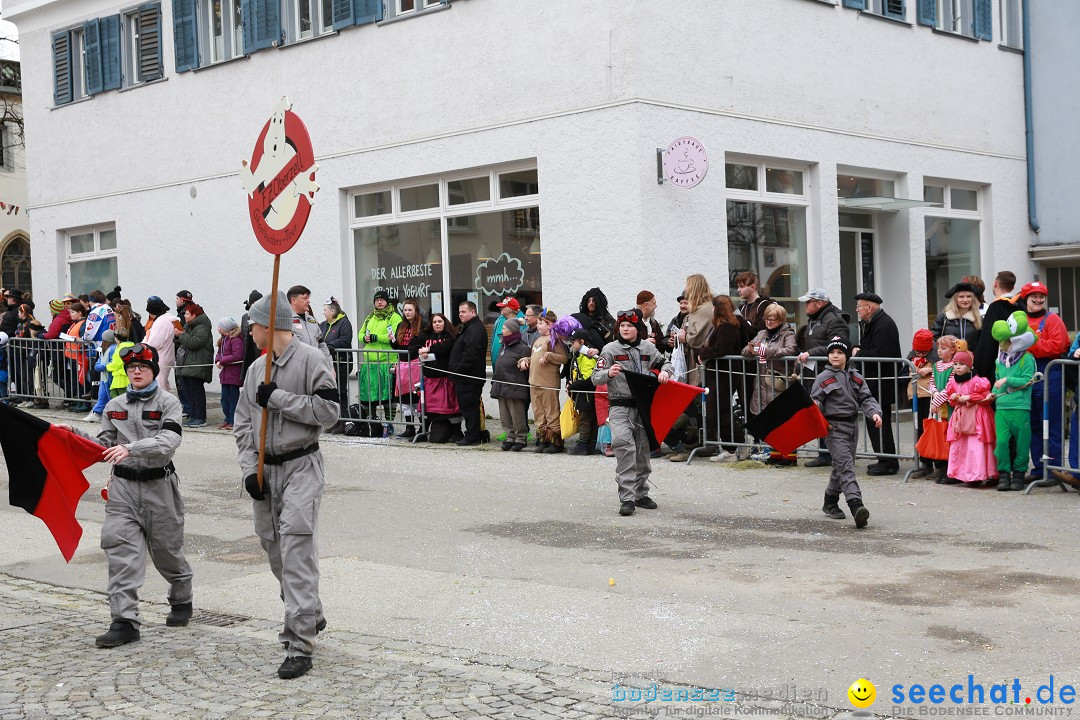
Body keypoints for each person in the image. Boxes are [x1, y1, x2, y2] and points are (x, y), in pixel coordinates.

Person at [233, 291, 338, 680]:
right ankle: (311, 611)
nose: (249, 333)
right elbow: (243, 425)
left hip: (301, 466)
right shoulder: (253, 369)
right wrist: (249, 470)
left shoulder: (312, 360)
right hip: (266, 472)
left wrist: (278, 398)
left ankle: (299, 642)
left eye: (253, 327)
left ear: (268, 325)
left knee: (296, 550)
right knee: (276, 552)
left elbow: (329, 412)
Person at [63, 343, 193, 648]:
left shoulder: (169, 403)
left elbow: (169, 439)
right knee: (120, 551)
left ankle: (181, 597)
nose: (136, 372)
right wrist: (69, 432)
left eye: (143, 367)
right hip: (123, 490)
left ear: (153, 371)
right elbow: (103, 445)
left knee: (167, 552)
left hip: (159, 487)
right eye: (131, 368)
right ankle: (124, 621)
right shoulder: (114, 405)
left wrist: (131, 448)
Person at [591, 309, 674, 516]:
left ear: (637, 328)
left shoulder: (648, 347)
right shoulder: (610, 349)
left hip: (643, 407)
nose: (626, 329)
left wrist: (665, 371)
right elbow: (595, 376)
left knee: (643, 451)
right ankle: (627, 498)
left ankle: (641, 494)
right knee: (624, 447)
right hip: (620, 406)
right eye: (622, 326)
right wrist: (608, 373)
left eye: (630, 326)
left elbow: (666, 363)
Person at [811, 338, 881, 529]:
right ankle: (856, 506)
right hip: (833, 428)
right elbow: (815, 401)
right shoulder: (823, 377)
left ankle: (830, 501)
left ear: (846, 356)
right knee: (846, 467)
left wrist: (874, 413)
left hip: (852, 427)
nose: (835, 355)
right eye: (832, 352)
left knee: (841, 467)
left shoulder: (855, 376)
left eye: (840, 352)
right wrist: (817, 412)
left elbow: (866, 397)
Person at [674, 294, 751, 462]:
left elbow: (721, 349)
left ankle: (733, 447)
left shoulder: (727, 327)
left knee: (720, 410)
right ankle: (732, 445)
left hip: (723, 374)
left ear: (718, 309)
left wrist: (703, 353)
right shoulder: (728, 325)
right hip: (720, 373)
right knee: (717, 409)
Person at [1015, 280, 1069, 481]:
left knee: (1051, 422)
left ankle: (1053, 470)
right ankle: (1039, 469)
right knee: (1033, 424)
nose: (1038, 300)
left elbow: (1057, 346)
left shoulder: (1053, 320)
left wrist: (1029, 346)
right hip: (1025, 377)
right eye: (1033, 297)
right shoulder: (1018, 319)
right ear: (1025, 299)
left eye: (1041, 297)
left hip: (1049, 375)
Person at [795, 289, 850, 467]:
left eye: (808, 302)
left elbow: (837, 346)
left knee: (831, 413)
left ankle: (832, 453)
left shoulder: (834, 320)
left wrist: (811, 353)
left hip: (830, 373)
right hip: (816, 373)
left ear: (819, 304)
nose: (805, 306)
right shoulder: (815, 319)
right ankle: (824, 453)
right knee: (818, 411)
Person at [851, 292, 903, 476]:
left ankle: (888, 462)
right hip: (875, 381)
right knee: (875, 419)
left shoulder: (883, 324)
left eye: (859, 306)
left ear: (869, 308)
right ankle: (883, 459)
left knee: (879, 420)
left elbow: (878, 355)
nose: (857, 310)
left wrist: (858, 354)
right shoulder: (875, 323)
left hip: (880, 382)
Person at [742, 303, 798, 464]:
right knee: (769, 420)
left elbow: (790, 350)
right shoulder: (761, 333)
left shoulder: (788, 334)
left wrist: (765, 351)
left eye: (772, 320)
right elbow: (745, 351)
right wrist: (752, 349)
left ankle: (789, 456)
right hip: (762, 383)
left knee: (783, 420)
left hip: (779, 381)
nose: (769, 322)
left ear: (780, 320)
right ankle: (775, 455)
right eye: (767, 319)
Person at [942, 349, 997, 486]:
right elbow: (952, 401)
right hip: (960, 418)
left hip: (977, 417)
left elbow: (986, 398)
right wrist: (953, 398)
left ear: (969, 366)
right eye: (955, 364)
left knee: (975, 446)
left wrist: (970, 397)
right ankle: (961, 473)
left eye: (961, 364)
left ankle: (977, 475)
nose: (958, 367)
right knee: (961, 446)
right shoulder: (953, 383)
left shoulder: (977, 381)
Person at [994, 318, 1036, 491]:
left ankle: (1019, 474)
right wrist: (993, 394)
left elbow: (1028, 380)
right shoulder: (999, 360)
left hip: (1020, 407)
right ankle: (1003, 474)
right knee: (1002, 442)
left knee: (1021, 443)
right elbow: (997, 381)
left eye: (1007, 342)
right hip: (1002, 407)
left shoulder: (1027, 359)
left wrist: (1008, 379)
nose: (1003, 345)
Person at [520, 310, 569, 453]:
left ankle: (556, 441)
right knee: (538, 412)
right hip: (534, 381)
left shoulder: (555, 340)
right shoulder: (538, 339)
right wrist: (526, 360)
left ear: (550, 325)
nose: (538, 325)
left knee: (551, 411)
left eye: (541, 323)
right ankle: (543, 439)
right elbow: (535, 357)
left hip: (548, 382)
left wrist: (549, 355)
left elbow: (563, 358)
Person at [356, 290, 402, 437]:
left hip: (387, 362)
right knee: (369, 395)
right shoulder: (370, 317)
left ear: (387, 301)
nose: (379, 302)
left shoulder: (394, 317)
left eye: (382, 300)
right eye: (377, 300)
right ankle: (373, 422)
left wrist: (376, 338)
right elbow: (361, 334)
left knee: (388, 397)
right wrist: (365, 338)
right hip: (370, 362)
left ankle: (388, 424)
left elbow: (393, 336)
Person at [411, 312, 461, 443]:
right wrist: (420, 350)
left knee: (451, 408)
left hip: (445, 379)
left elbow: (446, 347)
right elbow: (413, 346)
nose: (437, 324)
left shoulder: (450, 335)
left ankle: (456, 432)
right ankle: (422, 431)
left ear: (445, 322)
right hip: (429, 379)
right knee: (427, 408)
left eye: (440, 321)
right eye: (434, 322)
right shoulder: (424, 334)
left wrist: (429, 349)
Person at [449, 300, 488, 446]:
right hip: (465, 376)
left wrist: (458, 369)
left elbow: (470, 354)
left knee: (469, 408)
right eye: (459, 312)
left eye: (463, 312)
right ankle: (473, 434)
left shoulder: (475, 329)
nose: (460, 315)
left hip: (469, 377)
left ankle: (472, 436)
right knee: (467, 407)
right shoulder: (469, 327)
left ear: (473, 312)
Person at [491, 317, 531, 451]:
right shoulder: (504, 345)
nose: (502, 331)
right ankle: (510, 437)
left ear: (511, 331)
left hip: (515, 385)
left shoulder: (523, 348)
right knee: (505, 414)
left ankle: (520, 438)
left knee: (517, 414)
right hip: (501, 383)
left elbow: (526, 371)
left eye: (504, 328)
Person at [907, 329, 940, 480]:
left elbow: (944, 368)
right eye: (917, 351)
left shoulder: (936, 356)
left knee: (932, 430)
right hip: (916, 395)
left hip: (930, 396)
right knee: (919, 430)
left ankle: (938, 464)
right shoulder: (911, 356)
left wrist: (930, 369)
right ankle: (925, 463)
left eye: (923, 352)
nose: (919, 355)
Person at [174, 303, 213, 428]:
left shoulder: (203, 327)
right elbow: (184, 340)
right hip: (188, 364)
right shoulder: (190, 325)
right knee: (188, 391)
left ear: (194, 315)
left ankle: (200, 418)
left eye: (187, 314)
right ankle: (193, 416)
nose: (184, 316)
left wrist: (181, 335)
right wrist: (178, 335)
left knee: (196, 392)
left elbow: (194, 343)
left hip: (198, 364)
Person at [973, 271, 1017, 381]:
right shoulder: (1020, 306)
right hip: (1017, 364)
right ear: (1013, 287)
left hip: (997, 366)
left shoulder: (995, 307)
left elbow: (987, 341)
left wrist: (978, 368)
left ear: (995, 284)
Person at [319, 297, 353, 434]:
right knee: (331, 393)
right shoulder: (323, 324)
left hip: (341, 362)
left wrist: (332, 345)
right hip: (328, 363)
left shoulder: (344, 323)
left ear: (332, 311)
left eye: (325, 310)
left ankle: (343, 421)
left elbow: (346, 339)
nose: (323, 313)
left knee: (341, 392)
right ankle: (334, 420)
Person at [391, 298, 424, 438]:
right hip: (403, 365)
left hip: (416, 364)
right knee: (404, 399)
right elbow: (397, 346)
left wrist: (411, 349)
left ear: (416, 311)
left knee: (416, 397)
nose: (407, 312)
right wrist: (392, 340)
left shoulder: (423, 325)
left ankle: (422, 428)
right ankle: (409, 428)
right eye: (405, 310)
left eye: (410, 310)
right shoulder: (401, 325)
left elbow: (419, 343)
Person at [566, 328, 600, 455]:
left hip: (587, 393)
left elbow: (589, 378)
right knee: (589, 418)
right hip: (583, 393)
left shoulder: (588, 357)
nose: (572, 344)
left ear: (582, 341)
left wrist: (573, 386)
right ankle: (590, 445)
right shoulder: (579, 355)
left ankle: (582, 445)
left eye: (573, 341)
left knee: (585, 419)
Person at [287, 284, 332, 368]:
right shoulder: (286, 321)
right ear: (293, 300)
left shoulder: (312, 320)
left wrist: (329, 366)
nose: (308, 301)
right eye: (305, 298)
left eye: (308, 298)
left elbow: (322, 345)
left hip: (315, 368)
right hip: (297, 370)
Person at [930, 282, 982, 348]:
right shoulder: (943, 318)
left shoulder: (979, 319)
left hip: (972, 357)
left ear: (973, 299)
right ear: (955, 299)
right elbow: (933, 340)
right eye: (961, 297)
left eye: (969, 296)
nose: (965, 300)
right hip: (948, 358)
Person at [144, 297, 179, 394]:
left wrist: (147, 337)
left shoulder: (161, 322)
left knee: (160, 384)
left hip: (161, 357)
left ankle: (161, 406)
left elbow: (154, 344)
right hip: (167, 355)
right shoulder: (169, 319)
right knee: (163, 382)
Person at [215, 317, 245, 430]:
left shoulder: (236, 340)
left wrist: (222, 361)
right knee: (224, 399)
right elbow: (219, 353)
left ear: (226, 328)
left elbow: (238, 356)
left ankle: (234, 420)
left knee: (233, 399)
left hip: (233, 374)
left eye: (220, 326)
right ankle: (227, 419)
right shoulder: (223, 339)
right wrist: (218, 360)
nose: (218, 328)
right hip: (225, 375)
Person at [174, 291, 195, 417]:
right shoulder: (182, 313)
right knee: (182, 382)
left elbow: (185, 334)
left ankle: (188, 407)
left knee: (182, 382)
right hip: (181, 351)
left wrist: (178, 335)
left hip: (183, 351)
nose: (175, 301)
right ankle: (188, 407)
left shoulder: (183, 315)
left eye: (177, 298)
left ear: (182, 300)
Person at [490, 297, 525, 373]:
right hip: (497, 368)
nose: (500, 308)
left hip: (512, 370)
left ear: (510, 309)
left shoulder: (522, 324)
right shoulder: (499, 320)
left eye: (503, 307)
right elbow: (493, 340)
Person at [241, 290, 264, 378]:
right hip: (250, 350)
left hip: (261, 350)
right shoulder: (245, 317)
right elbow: (245, 334)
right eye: (254, 302)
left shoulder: (264, 316)